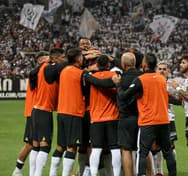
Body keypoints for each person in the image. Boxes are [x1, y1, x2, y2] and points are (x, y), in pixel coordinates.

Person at [54, 48, 116, 176]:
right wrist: (113, 81)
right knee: (83, 146)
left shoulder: (65, 70)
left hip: (70, 112)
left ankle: (86, 172)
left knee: (81, 145)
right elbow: (97, 82)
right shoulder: (81, 72)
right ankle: (87, 172)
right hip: (82, 112)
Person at [114, 53, 177, 176]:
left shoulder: (141, 80)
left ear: (144, 65)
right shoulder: (162, 79)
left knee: (142, 152)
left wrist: (118, 84)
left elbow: (123, 96)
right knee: (168, 152)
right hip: (164, 120)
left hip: (148, 121)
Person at [12, 51, 49, 176]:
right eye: (45, 59)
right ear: (39, 60)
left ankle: (22, 171)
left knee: (33, 144)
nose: (47, 62)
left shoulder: (38, 72)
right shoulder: (36, 73)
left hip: (34, 111)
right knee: (31, 144)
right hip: (33, 112)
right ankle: (17, 170)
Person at [30, 48, 66, 176]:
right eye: (62, 57)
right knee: (45, 146)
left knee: (36, 146)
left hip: (36, 110)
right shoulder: (50, 68)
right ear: (55, 59)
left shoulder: (42, 67)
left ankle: (32, 174)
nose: (64, 59)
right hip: (44, 111)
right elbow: (64, 65)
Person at [88, 55, 121, 176]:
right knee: (115, 148)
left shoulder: (91, 78)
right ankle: (117, 174)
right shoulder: (115, 76)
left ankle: (93, 173)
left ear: (97, 65)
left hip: (96, 118)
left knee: (96, 149)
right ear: (108, 65)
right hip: (113, 117)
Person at [153, 61, 182, 176]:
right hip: (155, 118)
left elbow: (179, 101)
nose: (162, 71)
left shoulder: (171, 84)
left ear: (168, 71)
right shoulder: (153, 82)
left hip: (169, 118)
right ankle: (159, 171)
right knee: (156, 147)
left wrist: (177, 93)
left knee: (171, 147)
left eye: (164, 69)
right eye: (160, 68)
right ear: (156, 70)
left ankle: (172, 171)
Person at [117, 52, 143, 176]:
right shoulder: (142, 76)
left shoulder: (120, 78)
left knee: (126, 150)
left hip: (126, 118)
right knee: (143, 149)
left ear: (123, 63)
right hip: (142, 117)